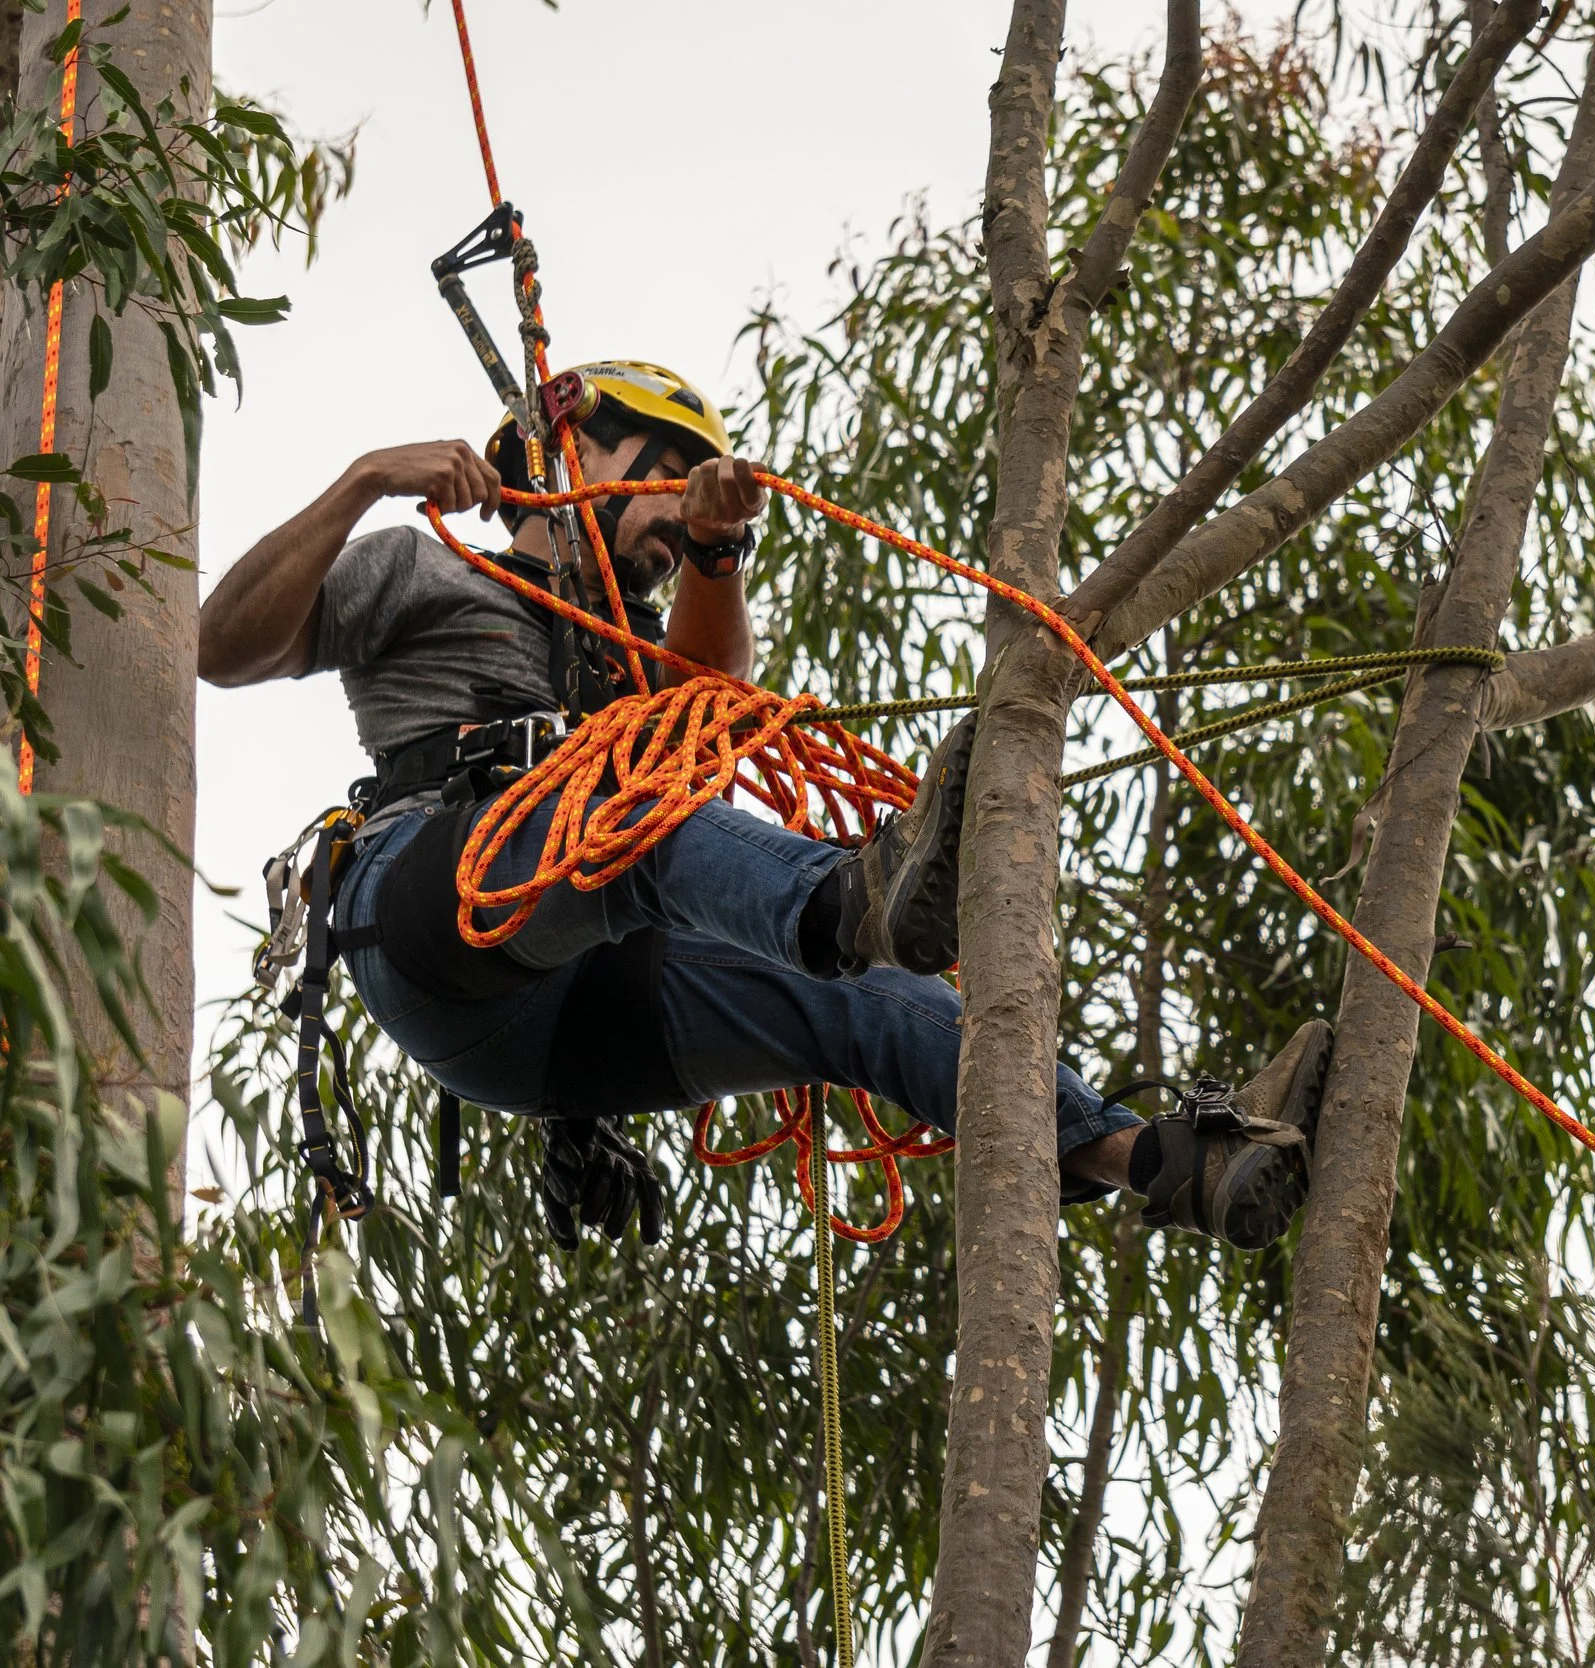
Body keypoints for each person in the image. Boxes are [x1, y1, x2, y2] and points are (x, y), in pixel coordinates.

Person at [200, 360, 1332, 1251]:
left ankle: (1164, 1163)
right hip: (433, 918)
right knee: (645, 818)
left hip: (567, 1016)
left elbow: (712, 708)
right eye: (666, 470)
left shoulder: (625, 654)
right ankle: (854, 900)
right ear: (574, 448)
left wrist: (713, 548)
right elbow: (217, 647)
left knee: (881, 1001)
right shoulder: (425, 568)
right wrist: (362, 482)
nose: (674, 508)